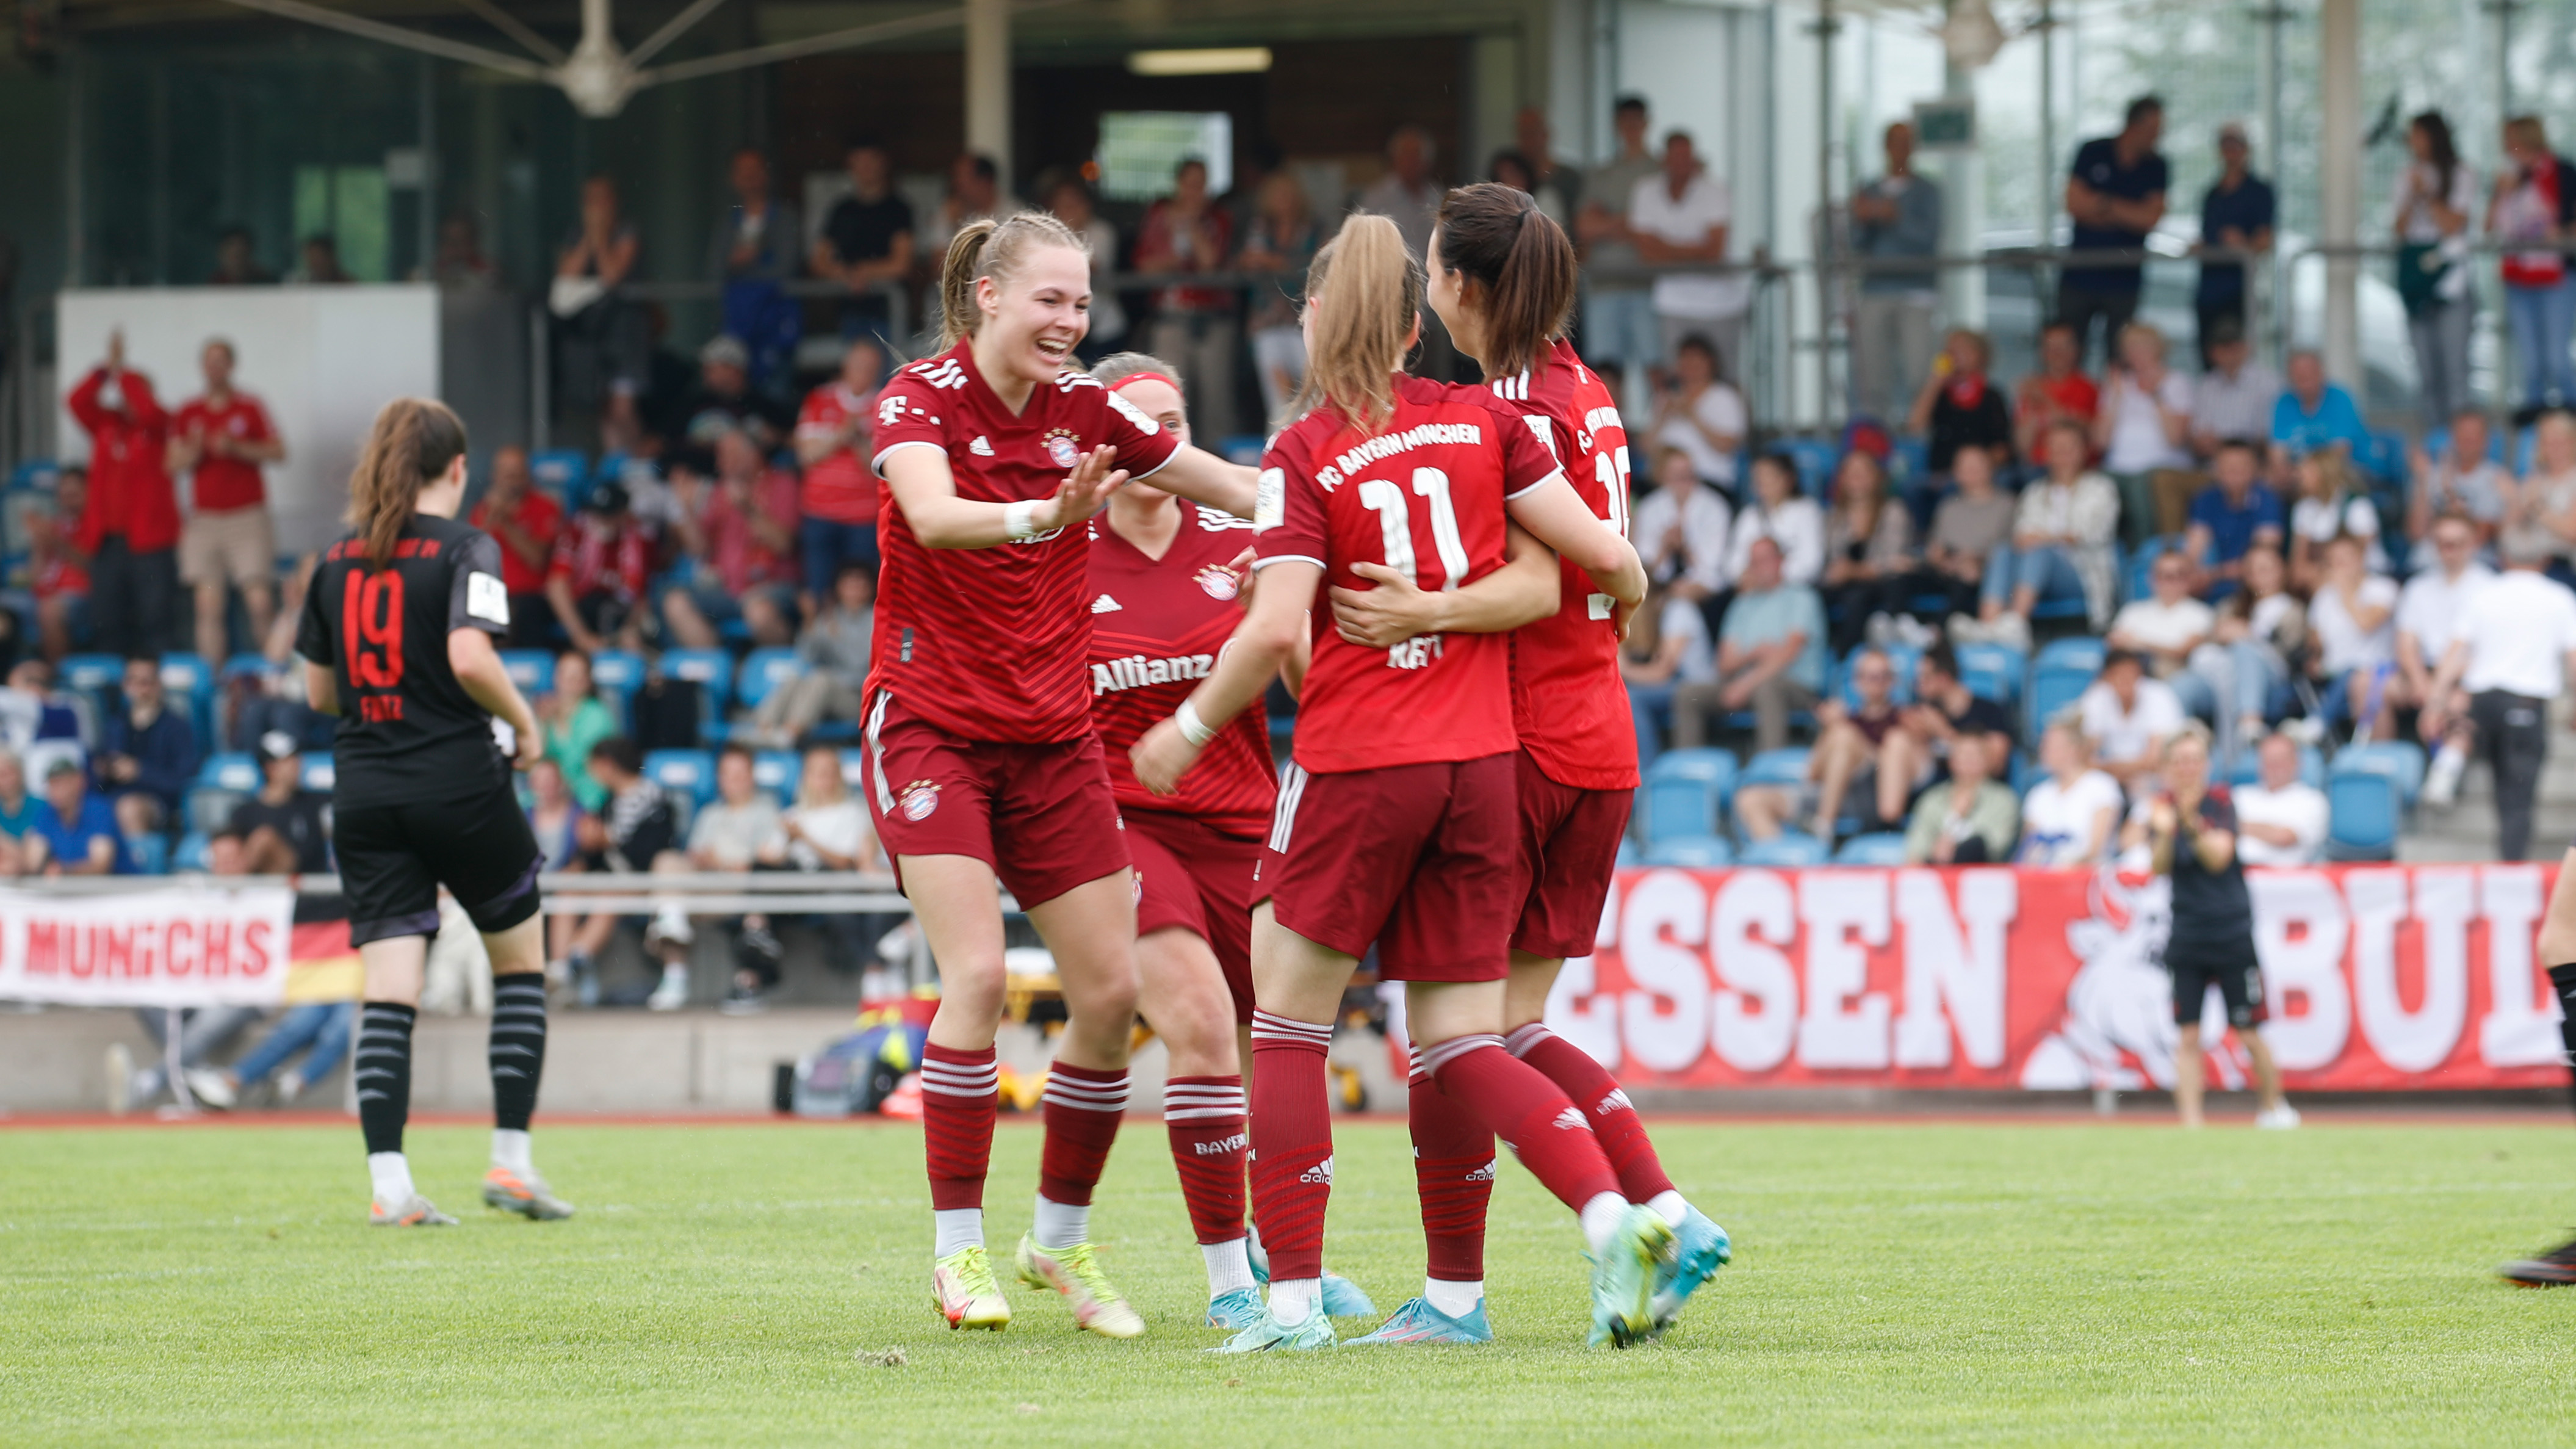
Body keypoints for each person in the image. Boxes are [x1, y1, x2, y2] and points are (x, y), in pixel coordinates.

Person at [1124, 211, 1665, 1353]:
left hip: (1360, 759)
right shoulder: (1483, 420)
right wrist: (1587, 604)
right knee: (1463, 1038)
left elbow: (1276, 628)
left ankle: (1287, 1307)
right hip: (1483, 766)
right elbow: (1599, 566)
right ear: (1414, 325)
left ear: (1314, 321)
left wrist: (1188, 723)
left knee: (1286, 1023)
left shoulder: (1305, 449)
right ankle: (1605, 1214)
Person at [1333, 187, 1728, 1343]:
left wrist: (1422, 606)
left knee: (1452, 1034)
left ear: (1458, 288)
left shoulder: (1495, 411)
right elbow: (1620, 571)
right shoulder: (1586, 389)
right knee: (1507, 1023)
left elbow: (1545, 578)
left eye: (1435, 278)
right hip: (1599, 730)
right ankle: (1663, 1209)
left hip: (1521, 739)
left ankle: (1467, 1291)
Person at [864, 211, 1259, 1339]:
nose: (1070, 323)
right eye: (1050, 300)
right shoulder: (917, 401)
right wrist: (1053, 511)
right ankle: (958, 1254)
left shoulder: (1092, 407)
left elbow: (1222, 484)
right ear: (988, 296)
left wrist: (1315, 506)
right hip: (932, 723)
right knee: (978, 975)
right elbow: (934, 520)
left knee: (1107, 995)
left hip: (1049, 741)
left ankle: (1058, 1237)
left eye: (1082, 305)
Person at [1081, 352, 1347, 1328]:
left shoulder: (1243, 539)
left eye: (1174, 418)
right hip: (1119, 822)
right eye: (1139, 421)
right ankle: (1228, 1277)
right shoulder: (1063, 552)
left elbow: (1316, 693)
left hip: (1244, 819)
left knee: (1273, 1037)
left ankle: (1291, 1256)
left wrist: (1271, 616)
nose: (1161, 438)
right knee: (1196, 1021)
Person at [291, 396, 566, 1227]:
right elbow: (469, 652)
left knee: (390, 991)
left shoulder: (335, 559)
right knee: (519, 966)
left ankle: (391, 1187)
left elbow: (318, 690)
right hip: (457, 781)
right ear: (457, 468)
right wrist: (523, 724)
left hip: (365, 790)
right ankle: (511, 1164)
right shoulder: (467, 546)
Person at [2129, 723, 2296, 1130]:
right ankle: (2191, 1120)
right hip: (2186, 933)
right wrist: (2165, 831)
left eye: (2193, 760)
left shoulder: (2220, 803)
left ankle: (2274, 1108)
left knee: (2247, 1031)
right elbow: (2157, 866)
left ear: (2204, 765)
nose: (2186, 769)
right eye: (2178, 761)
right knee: (2187, 1035)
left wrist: (2186, 821)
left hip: (2229, 933)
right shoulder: (2160, 808)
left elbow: (2217, 856)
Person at [2422, 528, 2576, 861]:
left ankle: (2449, 762)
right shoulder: (2559, 597)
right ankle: (2511, 874)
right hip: (2526, 705)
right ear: (2545, 559)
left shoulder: (2483, 594)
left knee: (2499, 790)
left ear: (2503, 558)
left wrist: (2435, 702)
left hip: (2484, 703)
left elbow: (2455, 654)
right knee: (2518, 799)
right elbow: (2573, 659)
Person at [168, 338, 286, 665]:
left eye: (221, 360)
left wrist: (238, 447)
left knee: (260, 602)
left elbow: (278, 451)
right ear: (202, 366)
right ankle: (215, 682)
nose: (215, 367)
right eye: (209, 361)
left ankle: (274, 673)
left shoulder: (249, 407)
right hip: (205, 519)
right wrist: (192, 453)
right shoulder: (189, 411)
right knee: (208, 607)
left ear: (231, 366)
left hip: (247, 516)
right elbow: (171, 463)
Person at [67, 330, 179, 659]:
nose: (126, 397)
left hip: (150, 543)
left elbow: (147, 412)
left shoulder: (160, 426)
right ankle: (112, 692)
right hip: (108, 543)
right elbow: (76, 401)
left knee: (156, 620)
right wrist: (106, 370)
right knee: (107, 621)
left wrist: (124, 372)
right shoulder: (105, 425)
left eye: (134, 391)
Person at [1973, 419, 2120, 643]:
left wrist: (2044, 539)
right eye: (2055, 447)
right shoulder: (2034, 491)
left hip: (2082, 573)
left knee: (2042, 552)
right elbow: (2022, 535)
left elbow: (2088, 533)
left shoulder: (2101, 487)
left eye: (2069, 446)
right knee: (2004, 550)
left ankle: (2015, 625)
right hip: (2035, 573)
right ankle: (1988, 627)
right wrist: (2042, 539)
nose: (2062, 453)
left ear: (2083, 450)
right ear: (2047, 453)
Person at [1736, 645, 1903, 842]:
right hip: (1825, 794)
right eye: (1869, 676)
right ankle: (1788, 862)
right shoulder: (1843, 722)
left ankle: (1823, 827)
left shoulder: (1905, 720)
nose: (1876, 683)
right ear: (1857, 682)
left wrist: (1842, 730)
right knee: (1750, 800)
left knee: (1844, 736)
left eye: (1882, 676)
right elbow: (1813, 773)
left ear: (1893, 681)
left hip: (1866, 797)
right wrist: (1829, 731)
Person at [669, 745, 790, 1014]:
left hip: (745, 894)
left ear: (752, 776)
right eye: (728, 774)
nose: (734, 780)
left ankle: (746, 979)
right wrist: (710, 862)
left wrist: (718, 862)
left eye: (740, 773)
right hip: (709, 891)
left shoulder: (767, 811)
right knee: (668, 863)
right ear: (719, 778)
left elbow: (763, 864)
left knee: (756, 893)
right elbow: (694, 858)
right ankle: (670, 920)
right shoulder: (710, 814)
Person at [661, 428, 801, 651]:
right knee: (675, 602)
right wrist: (686, 509)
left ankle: (776, 674)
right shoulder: (720, 491)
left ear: (753, 454)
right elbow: (699, 549)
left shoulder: (783, 484)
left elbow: (783, 544)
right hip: (728, 589)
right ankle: (717, 672)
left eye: (729, 454)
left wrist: (748, 509)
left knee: (758, 610)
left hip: (772, 585)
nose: (720, 463)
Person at [1629, 130, 1747, 386]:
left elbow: (1714, 252)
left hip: (1720, 303)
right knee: (1676, 380)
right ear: (1664, 159)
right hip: (1672, 302)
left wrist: (1665, 246)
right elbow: (1646, 252)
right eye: (1676, 156)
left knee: (1725, 379)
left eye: (1687, 156)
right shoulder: (1646, 190)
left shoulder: (1715, 190)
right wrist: (1695, 249)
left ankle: (1730, 426)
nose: (1682, 162)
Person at [1135, 159, 1239, 441]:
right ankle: (1170, 458)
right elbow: (1144, 265)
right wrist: (1174, 259)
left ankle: (1219, 459)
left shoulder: (1218, 218)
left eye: (1201, 184)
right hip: (1169, 315)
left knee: (1216, 396)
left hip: (1212, 315)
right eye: (1189, 183)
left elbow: (1209, 264)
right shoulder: (1158, 216)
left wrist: (1192, 225)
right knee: (1169, 393)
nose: (1195, 190)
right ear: (1178, 184)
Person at [1847, 121, 1944, 424]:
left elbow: (1928, 239)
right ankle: (1875, 438)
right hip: (1875, 290)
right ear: (1886, 146)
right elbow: (1856, 243)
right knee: (1873, 376)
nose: (1902, 149)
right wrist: (1863, 219)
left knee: (1919, 372)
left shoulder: (1928, 191)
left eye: (1908, 142)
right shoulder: (1869, 189)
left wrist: (1894, 218)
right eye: (1896, 142)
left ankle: (1919, 433)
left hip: (1917, 292)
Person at [2060, 96, 2169, 365]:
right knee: (2068, 353)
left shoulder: (2157, 166)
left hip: (2124, 281)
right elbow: (2074, 204)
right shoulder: (2093, 151)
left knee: (2120, 358)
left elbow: (2150, 219)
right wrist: (2129, 212)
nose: (2158, 137)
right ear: (2135, 125)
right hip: (2079, 276)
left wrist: (2104, 204)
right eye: (2154, 130)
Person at [1697, 535, 1825, 753]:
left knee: (1767, 689)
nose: (1759, 568)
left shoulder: (1802, 597)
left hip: (1797, 685)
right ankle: (1689, 775)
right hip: (1744, 685)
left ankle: (1769, 773)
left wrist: (1746, 683)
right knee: (1688, 695)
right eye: (1754, 562)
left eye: (1765, 560)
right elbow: (1724, 663)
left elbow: (1789, 653)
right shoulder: (1742, 604)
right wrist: (1754, 654)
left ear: (1780, 561)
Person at [2400, 515, 2494, 806]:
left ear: (2473, 544)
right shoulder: (2418, 586)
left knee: (2458, 703)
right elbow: (2405, 645)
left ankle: (2446, 770)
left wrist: (2437, 694)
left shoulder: (2490, 587)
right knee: (2366, 685)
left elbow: (2487, 649)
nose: (2448, 549)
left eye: (2456, 543)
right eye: (2442, 543)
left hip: (2470, 672)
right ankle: (2384, 772)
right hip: (2424, 672)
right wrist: (2423, 685)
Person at [1578, 96, 1664, 413]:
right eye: (1624, 123)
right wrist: (1629, 222)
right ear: (1617, 126)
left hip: (1647, 284)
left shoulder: (1659, 170)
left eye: (1636, 122)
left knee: (1655, 369)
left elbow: (1656, 228)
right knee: (1607, 374)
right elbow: (1585, 227)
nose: (1630, 129)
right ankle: (1615, 444)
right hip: (1605, 283)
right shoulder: (1602, 173)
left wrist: (1608, 221)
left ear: (1645, 124)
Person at [2489, 116, 2576, 418]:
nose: (2506, 146)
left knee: (2556, 355)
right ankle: (2535, 411)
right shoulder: (2507, 178)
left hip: (2556, 275)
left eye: (2510, 138)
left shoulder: (2563, 173)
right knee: (2529, 356)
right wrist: (2501, 192)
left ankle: (2569, 407)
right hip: (2518, 276)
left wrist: (2562, 232)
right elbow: (2490, 227)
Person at [2398, 111, 2480, 424]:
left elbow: (2451, 226)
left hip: (2451, 285)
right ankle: (2436, 445)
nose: (2412, 142)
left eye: (2417, 134)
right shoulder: (2407, 174)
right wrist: (2411, 196)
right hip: (2417, 283)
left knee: (2455, 373)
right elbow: (2400, 229)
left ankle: (2462, 447)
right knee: (2427, 375)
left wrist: (2428, 195)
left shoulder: (2462, 173)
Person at [793, 339, 886, 596]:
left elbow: (879, 468)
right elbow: (806, 455)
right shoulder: (819, 399)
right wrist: (841, 435)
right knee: (819, 589)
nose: (863, 372)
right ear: (846, 366)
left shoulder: (884, 403)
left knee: (863, 592)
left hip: (864, 517)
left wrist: (855, 440)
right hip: (819, 512)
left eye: (870, 367)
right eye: (859, 365)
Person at [707, 148, 804, 392]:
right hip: (737, 325)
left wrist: (743, 266)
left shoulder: (785, 218)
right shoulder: (728, 224)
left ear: (766, 175)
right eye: (743, 171)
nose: (749, 177)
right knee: (735, 397)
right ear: (733, 178)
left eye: (755, 170)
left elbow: (787, 269)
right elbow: (713, 271)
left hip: (777, 324)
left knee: (775, 398)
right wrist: (738, 263)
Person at [553, 176, 647, 427]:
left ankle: (634, 463)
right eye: (589, 200)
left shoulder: (627, 231)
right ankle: (616, 464)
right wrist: (589, 237)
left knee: (623, 409)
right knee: (604, 411)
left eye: (601, 199)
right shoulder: (574, 235)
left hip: (625, 333)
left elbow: (612, 276)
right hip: (593, 336)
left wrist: (601, 236)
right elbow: (566, 276)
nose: (595, 207)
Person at [748, 564, 871, 748]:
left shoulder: (877, 618)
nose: (853, 590)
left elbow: (860, 666)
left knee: (822, 679)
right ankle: (761, 730)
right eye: (848, 584)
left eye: (859, 584)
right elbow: (805, 657)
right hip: (825, 696)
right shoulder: (829, 617)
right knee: (795, 680)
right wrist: (810, 621)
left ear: (870, 588)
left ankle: (790, 734)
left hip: (859, 700)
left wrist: (837, 641)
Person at [2094, 322, 2195, 545]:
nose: (2136, 354)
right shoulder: (2117, 386)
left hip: (2160, 466)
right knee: (2095, 486)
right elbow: (2100, 441)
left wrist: (2156, 396)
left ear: (2158, 349)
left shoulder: (2176, 382)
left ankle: (2144, 557)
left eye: (2142, 347)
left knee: (2141, 488)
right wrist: (2116, 398)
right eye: (2130, 348)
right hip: (2117, 467)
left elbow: (2176, 439)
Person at [811, 139, 916, 351]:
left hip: (888, 312)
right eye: (859, 162)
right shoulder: (842, 210)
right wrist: (846, 276)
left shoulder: (899, 209)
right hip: (848, 313)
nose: (865, 168)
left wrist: (864, 273)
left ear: (883, 163)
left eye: (871, 161)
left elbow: (902, 264)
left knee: (888, 379)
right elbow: (819, 261)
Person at [1237, 171, 1321, 424]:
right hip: (1267, 321)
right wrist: (1287, 264)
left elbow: (1319, 266)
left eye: (1288, 194)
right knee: (1277, 393)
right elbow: (1249, 260)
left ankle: (1316, 441)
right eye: (1278, 194)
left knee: (1314, 387)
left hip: (1306, 317)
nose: (1284, 200)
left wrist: (1272, 262)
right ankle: (1281, 443)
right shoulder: (1261, 226)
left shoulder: (1314, 228)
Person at [2209, 544, 2304, 757]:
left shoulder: (2292, 609)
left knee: (2245, 650)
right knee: (2187, 684)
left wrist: (2248, 635)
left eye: (2265, 569)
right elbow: (2215, 633)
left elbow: (2288, 651)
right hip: (2228, 674)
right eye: (2252, 570)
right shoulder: (2233, 605)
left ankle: (2250, 726)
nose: (2258, 576)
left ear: (2282, 570)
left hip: (2274, 680)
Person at [2107, 546, 2219, 725]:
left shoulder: (2201, 613)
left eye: (2179, 575)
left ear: (2189, 579)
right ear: (2153, 579)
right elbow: (2114, 645)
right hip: (2135, 678)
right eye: (2165, 576)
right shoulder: (2132, 612)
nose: (2171, 582)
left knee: (2175, 690)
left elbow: (2182, 652)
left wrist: (2138, 642)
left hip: (2177, 678)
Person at [465, 446, 563, 650]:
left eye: (519, 475)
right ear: (495, 477)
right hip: (494, 596)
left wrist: (506, 523)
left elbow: (537, 559)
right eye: (509, 476)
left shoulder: (545, 506)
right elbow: (471, 560)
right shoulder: (481, 512)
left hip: (532, 599)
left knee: (523, 611)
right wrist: (490, 518)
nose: (514, 482)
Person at [1818, 450, 1916, 652]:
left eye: (1864, 472)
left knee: (1856, 598)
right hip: (1842, 585)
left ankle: (1847, 659)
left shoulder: (1894, 511)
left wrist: (1853, 571)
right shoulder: (1833, 516)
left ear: (1878, 477)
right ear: (1842, 479)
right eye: (1851, 472)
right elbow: (1828, 560)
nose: (1857, 478)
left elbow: (1894, 561)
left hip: (1881, 584)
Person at [1922, 447, 2022, 642]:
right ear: (1956, 473)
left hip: (1983, 572)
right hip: (1946, 570)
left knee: (1967, 576)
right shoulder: (1948, 506)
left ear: (1991, 469)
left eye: (1977, 466)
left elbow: (2009, 549)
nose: (1972, 472)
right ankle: (1899, 625)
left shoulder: (2007, 504)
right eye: (1965, 467)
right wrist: (1943, 561)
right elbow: (1936, 549)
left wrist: (1974, 560)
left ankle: (1935, 633)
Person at [2193, 123, 2275, 362]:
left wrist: (2242, 245)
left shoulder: (2259, 191)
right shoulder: (2212, 194)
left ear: (2246, 149)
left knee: (2235, 352)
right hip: (2209, 289)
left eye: (2236, 146)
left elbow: (2264, 241)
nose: (2231, 152)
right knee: (2209, 355)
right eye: (2226, 146)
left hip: (2237, 290)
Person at [543, 480, 652, 657]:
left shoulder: (637, 541)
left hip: (617, 615)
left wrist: (630, 629)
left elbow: (640, 597)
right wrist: (581, 636)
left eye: (608, 514)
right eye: (597, 513)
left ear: (624, 514)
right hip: (580, 613)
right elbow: (556, 586)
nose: (601, 520)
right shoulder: (575, 533)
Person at [2306, 533, 2399, 739]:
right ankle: (2317, 723)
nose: (2341, 565)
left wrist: (2345, 591)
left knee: (2354, 673)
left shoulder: (2383, 588)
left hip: (2375, 671)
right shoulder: (2324, 596)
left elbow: (2366, 624)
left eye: (2346, 558)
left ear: (2361, 558)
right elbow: (2315, 640)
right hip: (2332, 674)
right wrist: (2315, 657)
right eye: (2335, 560)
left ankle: (2318, 722)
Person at [1907, 328, 2014, 504]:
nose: (1956, 356)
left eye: (1964, 350)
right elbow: (1914, 426)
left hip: (1980, 474)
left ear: (1981, 356)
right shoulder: (1939, 395)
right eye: (1951, 351)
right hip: (1942, 474)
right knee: (1912, 491)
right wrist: (1935, 381)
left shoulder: (1992, 396)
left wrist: (1973, 470)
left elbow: (2001, 448)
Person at [96, 654, 197, 828]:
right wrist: (103, 769)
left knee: (129, 809)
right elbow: (100, 767)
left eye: (147, 682)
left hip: (157, 802)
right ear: (126, 686)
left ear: (159, 684)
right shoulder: (115, 724)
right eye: (135, 682)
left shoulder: (177, 728)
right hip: (114, 797)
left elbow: (183, 782)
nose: (142, 690)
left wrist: (140, 772)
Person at [1621, 580, 1712, 771]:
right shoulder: (1659, 614)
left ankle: (1647, 771)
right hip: (1677, 686)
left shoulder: (1679, 610)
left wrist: (1624, 669)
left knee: (1633, 697)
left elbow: (1662, 673)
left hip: (1697, 687)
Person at [2184, 439, 2287, 595]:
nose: (2234, 471)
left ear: (2255, 469)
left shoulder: (2267, 500)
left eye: (2241, 466)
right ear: (2216, 468)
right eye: (2228, 466)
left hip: (2253, 589)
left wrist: (2213, 575)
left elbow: (2264, 559)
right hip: (2210, 587)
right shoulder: (2206, 499)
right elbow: (2193, 552)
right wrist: (2193, 576)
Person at [2405, 410, 2508, 565]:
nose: (2468, 440)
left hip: (2473, 566)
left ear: (2486, 440)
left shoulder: (2497, 478)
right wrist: (2422, 482)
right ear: (2452, 437)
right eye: (2462, 433)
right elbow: (2416, 532)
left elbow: (2478, 537)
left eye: (2474, 434)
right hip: (2426, 563)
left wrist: (2448, 491)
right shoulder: (2429, 474)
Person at [1902, 728, 2017, 865]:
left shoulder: (2003, 800)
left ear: (1988, 760)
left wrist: (1954, 824)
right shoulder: (1932, 799)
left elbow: (1995, 849)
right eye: (1962, 753)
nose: (1968, 759)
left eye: (1975, 754)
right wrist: (1956, 817)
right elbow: (1916, 850)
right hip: (1935, 879)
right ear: (1951, 760)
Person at [2016, 719, 2123, 867]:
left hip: (2087, 878)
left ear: (2073, 749)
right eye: (2043, 744)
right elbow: (2028, 849)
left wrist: (2063, 865)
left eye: (2050, 745)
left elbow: (2096, 850)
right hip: (2043, 878)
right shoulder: (2038, 794)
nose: (2043, 750)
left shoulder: (2102, 785)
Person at [2079, 648, 2185, 796]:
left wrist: (2107, 768)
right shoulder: (2097, 697)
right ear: (2107, 677)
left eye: (2131, 674)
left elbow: (2155, 760)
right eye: (2119, 675)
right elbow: (2085, 755)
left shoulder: (2159, 695)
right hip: (2111, 780)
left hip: (2154, 780)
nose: (2126, 680)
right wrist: (2117, 772)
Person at [1634, 447, 1731, 609]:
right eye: (1676, 474)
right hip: (1658, 585)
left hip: (1704, 584)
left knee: (1679, 604)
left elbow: (1713, 566)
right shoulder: (1649, 507)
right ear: (1663, 475)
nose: (1683, 479)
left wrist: (1685, 547)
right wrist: (1665, 547)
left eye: (1687, 473)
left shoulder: (1715, 507)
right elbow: (1644, 565)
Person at [1648, 334, 1745, 490]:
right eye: (1685, 359)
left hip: (1708, 480)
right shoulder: (1666, 396)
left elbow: (1727, 446)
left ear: (1711, 362)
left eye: (1697, 360)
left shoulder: (1724, 396)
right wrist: (1662, 417)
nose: (1691, 365)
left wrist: (1693, 416)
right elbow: (1646, 448)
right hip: (1664, 483)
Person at [1047, 178, 1127, 360]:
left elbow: (1088, 266)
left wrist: (1068, 229)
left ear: (1086, 204)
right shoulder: (1047, 236)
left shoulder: (1102, 231)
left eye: (1074, 202)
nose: (1070, 209)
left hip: (1104, 326)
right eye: (1063, 204)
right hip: (1063, 324)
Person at [229, 729, 330, 874]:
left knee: (265, 839)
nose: (298, 764)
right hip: (262, 890)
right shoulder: (245, 813)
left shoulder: (316, 803)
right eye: (289, 759)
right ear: (270, 768)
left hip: (306, 886)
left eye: (297, 757)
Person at [2287, 449, 2386, 588]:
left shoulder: (2358, 506)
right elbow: (2297, 569)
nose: (2299, 476)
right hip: (2325, 579)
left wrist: (2316, 573)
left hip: (2368, 578)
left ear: (2324, 474)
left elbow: (2357, 563)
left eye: (2306, 472)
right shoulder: (2303, 508)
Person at [2187, 320, 2281, 464]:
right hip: (2213, 466)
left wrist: (2236, 447)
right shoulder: (2206, 385)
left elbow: (2269, 437)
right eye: (2223, 347)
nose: (2229, 353)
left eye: (2233, 346)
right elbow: (2199, 439)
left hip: (2255, 465)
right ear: (2213, 352)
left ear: (2245, 347)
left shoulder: (2268, 382)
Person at [1725, 452, 1825, 588]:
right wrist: (1746, 576)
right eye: (1757, 478)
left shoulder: (1807, 511)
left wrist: (1773, 577)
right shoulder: (1749, 515)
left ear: (1789, 479)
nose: (1762, 482)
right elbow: (1733, 563)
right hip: (1754, 589)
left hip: (1794, 588)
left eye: (1769, 476)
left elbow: (1811, 563)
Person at [536, 649, 618, 814]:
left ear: (587, 681)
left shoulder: (598, 715)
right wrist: (543, 725)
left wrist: (560, 724)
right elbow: (536, 760)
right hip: (550, 797)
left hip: (588, 801)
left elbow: (582, 764)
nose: (569, 680)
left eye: (576, 674)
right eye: (564, 673)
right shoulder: (546, 712)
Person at [2232, 732, 2328, 867]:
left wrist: (2236, 825)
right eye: (2268, 760)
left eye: (2280, 759)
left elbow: (2284, 838)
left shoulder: (2313, 800)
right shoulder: (2240, 795)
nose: (2274, 766)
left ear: (2297, 762)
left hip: (2286, 880)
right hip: (2236, 874)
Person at [2012, 321, 2099, 466]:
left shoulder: (2090, 389)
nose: (2057, 352)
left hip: (2077, 467)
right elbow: (2023, 447)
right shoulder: (2030, 387)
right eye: (2051, 346)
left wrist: (2045, 399)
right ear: (2041, 351)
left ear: (2077, 349)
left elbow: (2090, 435)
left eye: (2064, 346)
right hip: (2037, 468)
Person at [24, 756, 129, 875]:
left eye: (62, 783)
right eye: (52, 784)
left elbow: (100, 866)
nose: (55, 790)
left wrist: (63, 871)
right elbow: (32, 864)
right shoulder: (45, 813)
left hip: (120, 888)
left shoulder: (99, 810)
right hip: (73, 889)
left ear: (80, 781)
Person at [31, 466, 92, 661]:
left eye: (73, 495)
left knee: (50, 610)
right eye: (63, 495)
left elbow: (93, 565)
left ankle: (56, 673)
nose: (67, 500)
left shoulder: (94, 524)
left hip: (82, 595)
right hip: (44, 594)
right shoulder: (53, 525)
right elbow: (35, 578)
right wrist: (39, 545)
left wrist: (57, 542)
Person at [2268, 350, 2369, 464]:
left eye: (2309, 374)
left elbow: (2341, 450)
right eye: (2298, 375)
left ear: (2321, 373)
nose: (2304, 380)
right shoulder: (2284, 402)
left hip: (2348, 470)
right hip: (2301, 473)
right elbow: (2277, 449)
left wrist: (2306, 472)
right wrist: (2282, 470)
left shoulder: (2341, 398)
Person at [211, 225, 276, 286]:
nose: (237, 262)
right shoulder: (212, 285)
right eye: (233, 256)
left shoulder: (265, 283)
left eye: (241, 254)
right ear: (221, 255)